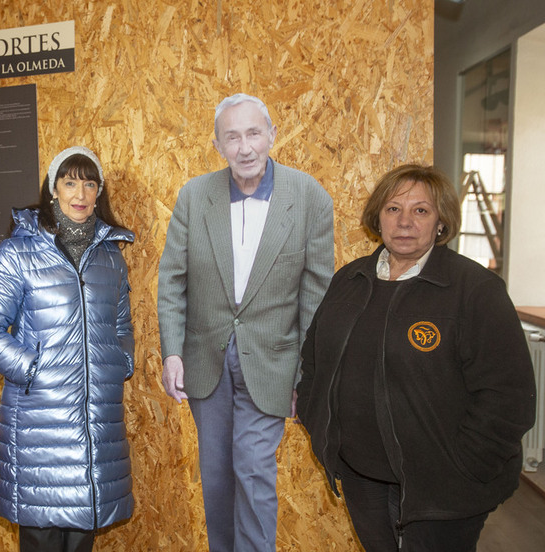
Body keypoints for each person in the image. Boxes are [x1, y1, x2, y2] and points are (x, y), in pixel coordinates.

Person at [296, 164, 537, 552]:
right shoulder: (350, 280)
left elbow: (508, 397)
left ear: (441, 222)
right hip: (363, 476)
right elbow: (313, 363)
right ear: (378, 217)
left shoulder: (475, 290)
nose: (405, 221)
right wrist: (325, 430)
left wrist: (466, 467)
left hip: (444, 487)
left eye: (421, 210)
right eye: (393, 209)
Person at [157, 93, 334, 551]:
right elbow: (172, 280)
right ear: (217, 146)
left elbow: (316, 297)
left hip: (273, 364)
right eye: (232, 137)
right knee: (216, 476)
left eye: (254, 133)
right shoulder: (195, 197)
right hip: (205, 360)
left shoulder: (309, 197)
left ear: (272, 135)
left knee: (253, 470)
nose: (245, 147)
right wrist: (172, 352)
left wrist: (306, 374)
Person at [0, 146, 135, 552]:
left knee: (82, 539)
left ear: (100, 192)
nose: (80, 193)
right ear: (53, 188)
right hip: (38, 426)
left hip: (97, 424)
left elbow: (121, 325)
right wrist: (32, 369)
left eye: (89, 183)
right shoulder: (18, 253)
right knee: (42, 538)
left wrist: (120, 362)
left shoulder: (110, 257)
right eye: (70, 182)